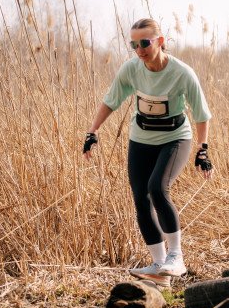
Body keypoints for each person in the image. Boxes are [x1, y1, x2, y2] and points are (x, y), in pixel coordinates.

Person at [83, 18, 213, 283]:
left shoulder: (182, 72)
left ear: (160, 42)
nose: (139, 49)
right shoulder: (132, 69)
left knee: (157, 189)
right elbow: (111, 100)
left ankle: (176, 258)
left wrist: (203, 149)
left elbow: (201, 114)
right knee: (141, 199)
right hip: (141, 139)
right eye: (134, 44)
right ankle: (159, 267)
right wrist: (93, 131)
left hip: (175, 138)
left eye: (145, 43)